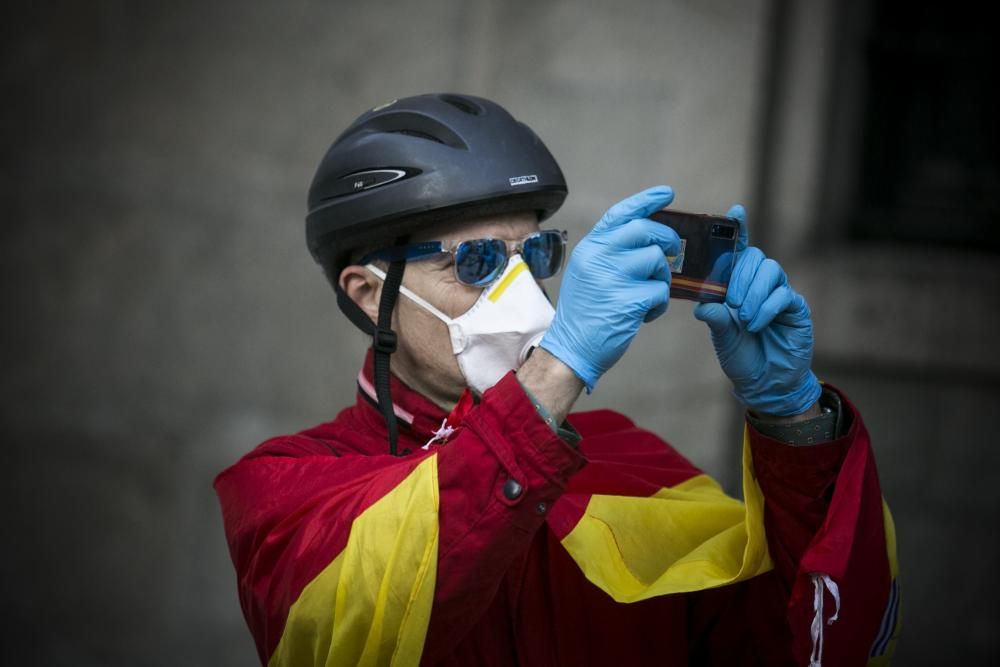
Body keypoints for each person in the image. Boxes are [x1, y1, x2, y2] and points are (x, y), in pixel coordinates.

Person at [214, 94, 900, 666]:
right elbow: (363, 629)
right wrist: (562, 365)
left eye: (535, 252)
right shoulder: (284, 487)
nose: (523, 288)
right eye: (478, 260)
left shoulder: (628, 457)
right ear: (369, 293)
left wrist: (794, 423)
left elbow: (798, 640)